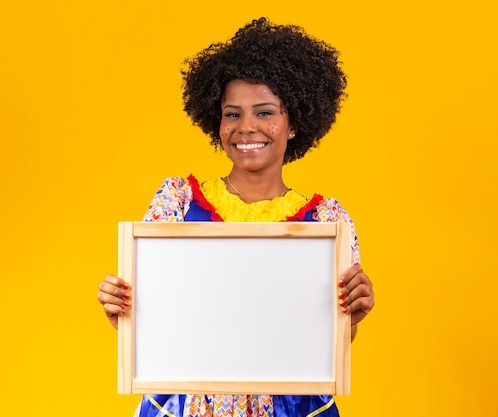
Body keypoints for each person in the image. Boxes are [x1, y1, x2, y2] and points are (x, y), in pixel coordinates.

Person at [97, 17, 375, 417]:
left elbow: (321, 345)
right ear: (217, 121)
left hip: (291, 409)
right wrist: (121, 311)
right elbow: (155, 327)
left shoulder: (326, 221)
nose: (247, 128)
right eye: (233, 114)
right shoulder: (177, 202)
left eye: (265, 113)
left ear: (294, 122)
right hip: (187, 407)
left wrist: (353, 316)